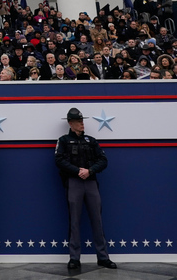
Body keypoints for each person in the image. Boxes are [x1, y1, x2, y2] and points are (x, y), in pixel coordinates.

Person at [54, 109, 116, 271]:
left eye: (82, 120)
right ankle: (74, 258)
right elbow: (59, 160)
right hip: (73, 182)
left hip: (91, 182)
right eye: (78, 121)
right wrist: (77, 171)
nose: (82, 123)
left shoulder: (91, 141)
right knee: (74, 220)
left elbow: (103, 160)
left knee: (97, 219)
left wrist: (90, 170)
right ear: (70, 123)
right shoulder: (64, 140)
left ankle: (103, 257)